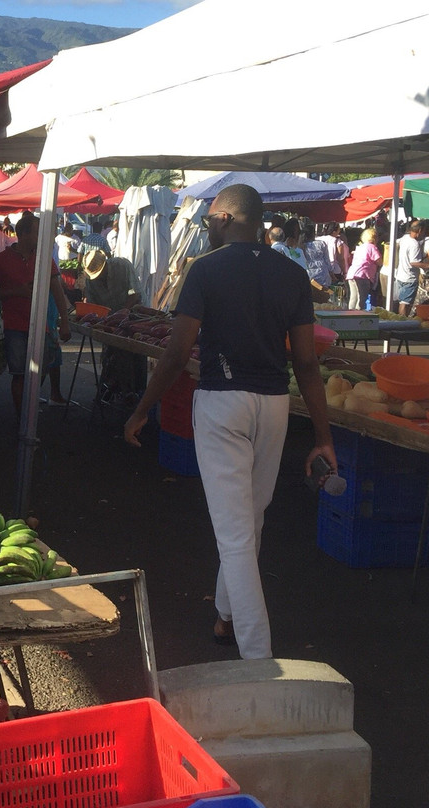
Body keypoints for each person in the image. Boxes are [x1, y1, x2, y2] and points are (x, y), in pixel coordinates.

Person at [124, 184, 334, 660]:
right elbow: (305, 363)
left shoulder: (206, 270)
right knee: (250, 523)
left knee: (237, 534)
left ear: (222, 218)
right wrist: (322, 437)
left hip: (222, 402)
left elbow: (178, 352)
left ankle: (258, 659)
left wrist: (141, 410)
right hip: (275, 404)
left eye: (208, 221)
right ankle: (225, 616)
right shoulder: (292, 274)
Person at [0, 214, 72, 416]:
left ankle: (28, 408)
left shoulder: (44, 258)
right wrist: (17, 292)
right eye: (37, 232)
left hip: (41, 325)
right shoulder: (2, 259)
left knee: (39, 370)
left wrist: (65, 322)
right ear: (23, 234)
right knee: (19, 374)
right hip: (14, 327)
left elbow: (57, 291)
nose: (42, 237)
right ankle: (22, 418)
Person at [81, 249, 145, 401]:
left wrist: (123, 313)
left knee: (136, 352)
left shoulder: (122, 265)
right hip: (110, 320)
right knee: (113, 352)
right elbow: (92, 303)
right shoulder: (91, 280)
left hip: (133, 314)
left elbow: (135, 294)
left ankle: (136, 391)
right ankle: (115, 386)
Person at [393, 220, 429, 316]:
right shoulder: (414, 244)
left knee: (403, 301)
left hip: (401, 275)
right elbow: (414, 262)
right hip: (410, 277)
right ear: (420, 230)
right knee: (405, 303)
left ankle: (401, 321)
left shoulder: (404, 238)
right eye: (424, 231)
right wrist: (427, 266)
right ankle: (402, 323)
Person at [346, 227, 381, 312]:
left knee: (353, 297)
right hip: (363, 275)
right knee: (362, 298)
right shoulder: (372, 247)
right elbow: (379, 261)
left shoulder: (360, 247)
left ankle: (349, 314)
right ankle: (358, 315)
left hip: (352, 274)